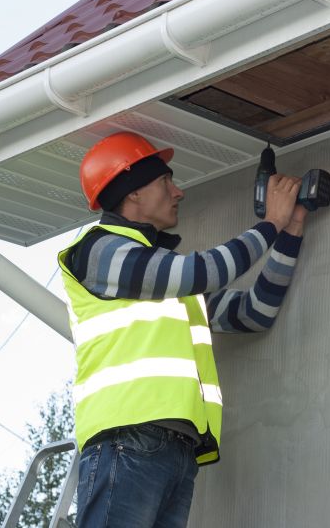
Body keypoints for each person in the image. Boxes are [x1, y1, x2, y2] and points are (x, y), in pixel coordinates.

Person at [57, 131, 306, 527]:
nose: (178, 192)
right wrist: (271, 222)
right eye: (165, 181)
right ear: (133, 192)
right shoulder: (98, 250)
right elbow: (202, 272)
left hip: (177, 450)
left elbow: (254, 312)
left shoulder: (165, 282)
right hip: (127, 438)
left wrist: (290, 232)